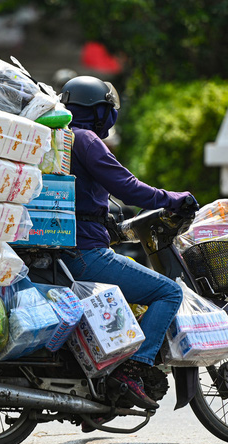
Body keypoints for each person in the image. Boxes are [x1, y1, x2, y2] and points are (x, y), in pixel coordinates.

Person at [59, 76, 199, 411]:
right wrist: (172, 198)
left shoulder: (57, 140)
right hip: (86, 254)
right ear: (98, 111)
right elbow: (128, 187)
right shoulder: (86, 139)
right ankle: (133, 371)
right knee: (169, 292)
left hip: (60, 252)